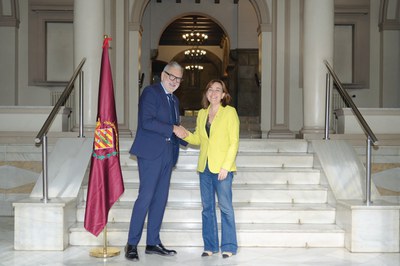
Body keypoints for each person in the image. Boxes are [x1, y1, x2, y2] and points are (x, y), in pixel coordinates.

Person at [125, 61, 187, 261]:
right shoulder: (150, 93)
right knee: (146, 197)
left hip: (168, 154)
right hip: (151, 153)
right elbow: (147, 121)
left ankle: (152, 242)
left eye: (179, 79)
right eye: (172, 77)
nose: (175, 81)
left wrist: (186, 136)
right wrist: (173, 129)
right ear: (163, 75)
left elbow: (174, 126)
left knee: (160, 200)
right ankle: (132, 244)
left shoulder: (174, 100)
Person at [182, 79, 239, 259]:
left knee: (225, 208)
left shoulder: (230, 113)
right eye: (210, 90)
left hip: (222, 168)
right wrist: (184, 134)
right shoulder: (202, 114)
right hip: (204, 168)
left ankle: (229, 246)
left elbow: (234, 142)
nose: (213, 93)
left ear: (223, 95)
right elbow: (199, 139)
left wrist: (226, 167)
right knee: (207, 208)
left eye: (217, 90)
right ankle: (210, 246)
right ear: (206, 94)